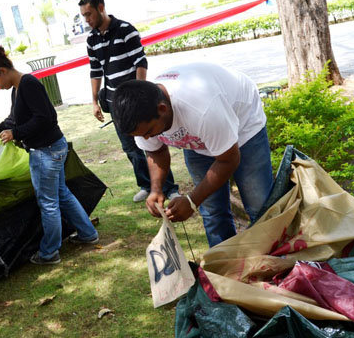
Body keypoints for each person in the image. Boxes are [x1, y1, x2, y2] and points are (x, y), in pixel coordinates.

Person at [111, 62, 274, 247]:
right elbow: (156, 152)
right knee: (212, 211)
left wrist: (191, 201)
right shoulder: (143, 117)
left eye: (149, 131)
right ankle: (224, 266)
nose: (147, 138)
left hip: (244, 125)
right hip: (199, 136)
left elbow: (229, 159)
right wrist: (156, 189)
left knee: (260, 206)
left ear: (162, 109)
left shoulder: (201, 109)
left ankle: (278, 267)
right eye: (142, 135)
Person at [0, 45, 99, 265]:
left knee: (48, 203)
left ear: (3, 71)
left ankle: (49, 252)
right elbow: (13, 119)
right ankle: (88, 234)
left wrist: (16, 133)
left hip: (46, 151)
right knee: (61, 195)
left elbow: (45, 117)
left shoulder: (28, 84)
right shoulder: (18, 88)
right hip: (51, 149)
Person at [79, 0, 178, 203]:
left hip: (136, 102)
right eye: (84, 16)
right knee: (131, 148)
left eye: (89, 14)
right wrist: (95, 101)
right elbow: (95, 71)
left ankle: (169, 188)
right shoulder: (91, 40)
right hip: (115, 103)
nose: (87, 20)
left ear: (101, 8)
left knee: (153, 142)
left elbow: (140, 62)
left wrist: (140, 93)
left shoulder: (125, 30)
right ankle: (145, 184)